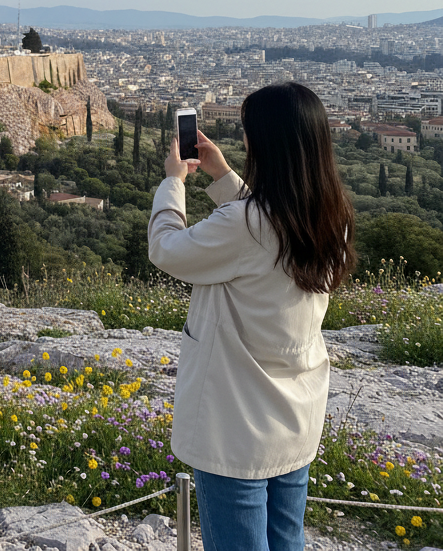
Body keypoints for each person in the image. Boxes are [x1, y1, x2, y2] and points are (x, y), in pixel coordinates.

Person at [149, 83, 355, 551]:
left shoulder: (245, 225)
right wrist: (223, 177)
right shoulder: (329, 216)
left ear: (265, 144)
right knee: (287, 540)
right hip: (296, 415)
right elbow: (266, 227)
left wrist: (173, 183)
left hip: (237, 426)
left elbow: (166, 249)